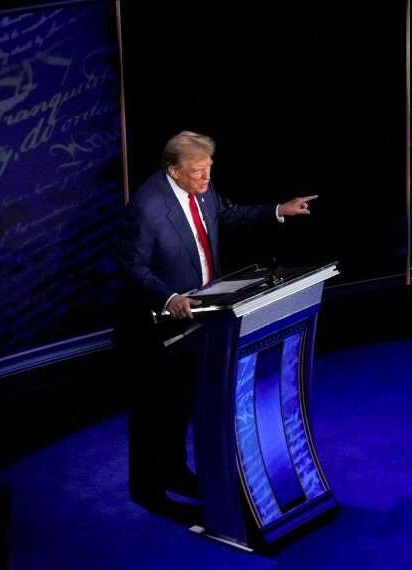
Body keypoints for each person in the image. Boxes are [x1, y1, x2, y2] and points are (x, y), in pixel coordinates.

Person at [115, 131, 316, 513]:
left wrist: (277, 209)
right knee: (153, 410)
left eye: (209, 168)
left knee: (181, 402)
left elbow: (227, 215)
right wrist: (170, 298)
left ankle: (175, 471)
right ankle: (147, 489)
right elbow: (131, 267)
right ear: (174, 171)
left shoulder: (203, 188)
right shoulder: (147, 207)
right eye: (198, 171)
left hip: (198, 318)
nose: (206, 177)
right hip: (153, 328)